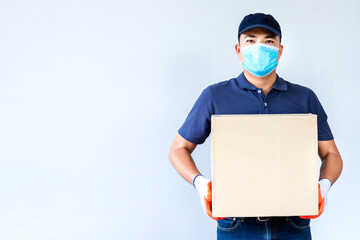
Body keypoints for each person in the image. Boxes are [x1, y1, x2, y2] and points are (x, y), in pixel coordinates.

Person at [168, 13, 343, 240]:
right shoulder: (215, 96)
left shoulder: (304, 98)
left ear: (280, 50)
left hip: (293, 224)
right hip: (237, 224)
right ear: (238, 49)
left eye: (269, 41)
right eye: (250, 40)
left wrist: (325, 185)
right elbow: (178, 149)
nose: (259, 46)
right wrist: (200, 183)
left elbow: (331, 154)